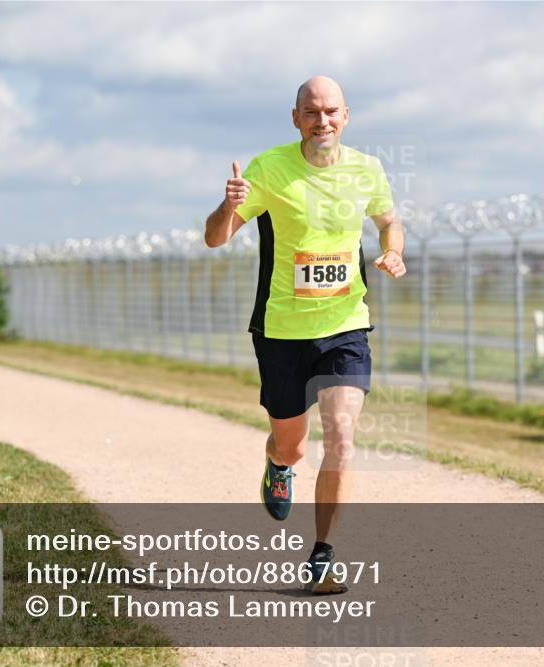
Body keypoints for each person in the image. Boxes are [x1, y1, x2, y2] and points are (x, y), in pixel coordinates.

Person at [204, 76, 406, 594]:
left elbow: (388, 220)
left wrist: (393, 249)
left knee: (341, 434)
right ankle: (277, 463)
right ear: (295, 118)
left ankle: (323, 555)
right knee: (292, 446)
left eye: (332, 111)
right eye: (312, 113)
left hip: (345, 325)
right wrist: (229, 204)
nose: (323, 121)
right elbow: (215, 238)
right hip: (281, 331)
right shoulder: (268, 168)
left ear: (346, 115)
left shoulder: (368, 169)